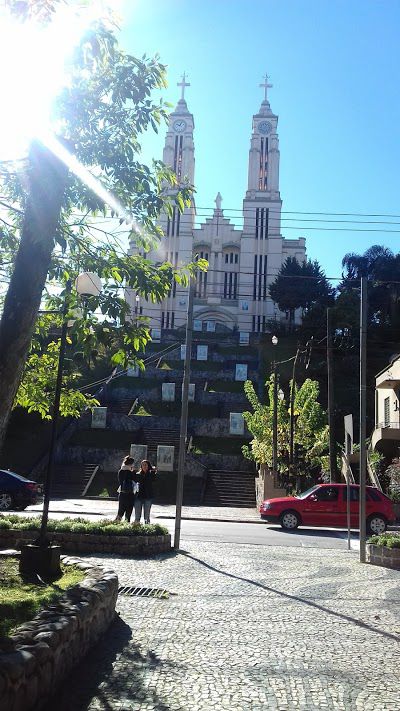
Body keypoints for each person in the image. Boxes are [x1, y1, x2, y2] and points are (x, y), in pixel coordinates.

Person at [133, 459, 157, 524]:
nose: (144, 466)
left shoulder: (151, 474)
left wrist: (153, 471)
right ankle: (136, 527)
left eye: (145, 465)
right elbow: (134, 483)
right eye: (143, 465)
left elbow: (154, 480)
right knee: (137, 516)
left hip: (148, 496)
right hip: (138, 497)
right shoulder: (138, 474)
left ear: (148, 466)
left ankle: (147, 527)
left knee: (147, 516)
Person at [115, 455, 136, 522]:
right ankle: (126, 526)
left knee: (120, 512)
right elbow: (135, 481)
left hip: (122, 493)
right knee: (128, 513)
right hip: (130, 494)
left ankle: (115, 525)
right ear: (131, 464)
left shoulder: (120, 471)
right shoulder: (131, 472)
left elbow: (120, 482)